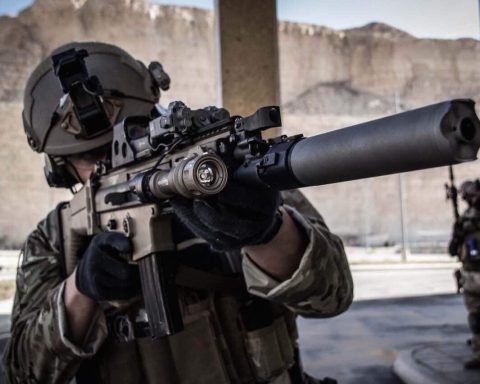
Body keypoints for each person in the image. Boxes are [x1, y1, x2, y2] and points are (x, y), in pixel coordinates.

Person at [3, 41, 353, 384]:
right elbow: (21, 372)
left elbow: (333, 298)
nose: (112, 163)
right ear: (60, 170)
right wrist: (80, 291)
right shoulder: (53, 240)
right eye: (90, 157)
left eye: (131, 137)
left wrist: (269, 235)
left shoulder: (237, 180)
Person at [448, 179, 480, 369]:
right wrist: (457, 235)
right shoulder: (466, 217)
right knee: (476, 317)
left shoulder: (471, 217)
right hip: (471, 273)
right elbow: (453, 248)